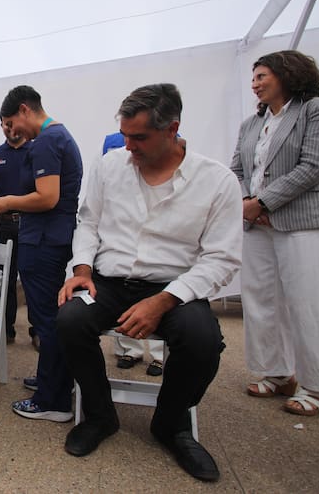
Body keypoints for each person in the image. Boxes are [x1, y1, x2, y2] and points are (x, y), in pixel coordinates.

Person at [56, 84, 241, 482]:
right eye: (124, 135)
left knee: (202, 341)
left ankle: (171, 425)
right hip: (108, 282)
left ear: (172, 129)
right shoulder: (110, 166)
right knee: (70, 319)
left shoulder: (217, 181)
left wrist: (164, 300)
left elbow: (221, 258)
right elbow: (88, 222)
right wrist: (82, 270)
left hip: (176, 287)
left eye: (139, 137)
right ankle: (100, 416)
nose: (128, 146)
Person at [230, 50, 319, 416]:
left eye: (262, 76)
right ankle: (277, 372)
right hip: (256, 224)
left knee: (311, 303)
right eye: (253, 78)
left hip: (303, 221)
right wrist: (247, 202)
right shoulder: (251, 124)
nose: (255, 84)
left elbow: (313, 166)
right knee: (262, 300)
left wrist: (263, 203)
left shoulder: (317, 109)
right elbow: (237, 169)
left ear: (287, 74)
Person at [0, 85, 82, 422]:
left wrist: (5, 202)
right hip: (52, 237)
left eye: (12, 123)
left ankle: (52, 400)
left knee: (46, 320)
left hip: (42, 240)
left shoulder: (46, 141)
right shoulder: (60, 137)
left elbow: (47, 197)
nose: (14, 131)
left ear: (24, 110)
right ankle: (54, 380)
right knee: (49, 316)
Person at [103, 132, 164, 376]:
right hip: (122, 221)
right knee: (120, 287)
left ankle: (159, 356)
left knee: (155, 291)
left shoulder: (160, 137)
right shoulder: (111, 142)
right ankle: (130, 349)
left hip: (155, 218)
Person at [0, 118, 31, 350]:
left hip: (31, 225)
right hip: (4, 226)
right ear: (1, 126)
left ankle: (38, 332)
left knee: (33, 280)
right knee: (5, 281)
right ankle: (4, 331)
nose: (10, 128)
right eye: (5, 124)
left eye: (13, 123)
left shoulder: (37, 151)